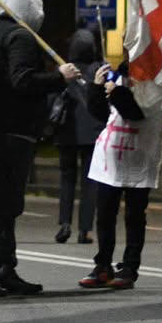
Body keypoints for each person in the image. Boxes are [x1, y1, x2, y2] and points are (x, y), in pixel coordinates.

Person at [0, 0, 83, 297]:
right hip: (11, 130)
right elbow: (22, 80)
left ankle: (4, 268)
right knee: (6, 202)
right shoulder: (20, 36)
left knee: (7, 202)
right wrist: (61, 77)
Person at [77, 69, 162, 293]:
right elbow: (100, 113)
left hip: (140, 155)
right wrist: (97, 88)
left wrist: (117, 92)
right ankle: (102, 265)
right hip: (112, 157)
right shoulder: (117, 75)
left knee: (135, 215)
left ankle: (129, 268)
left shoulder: (158, 79)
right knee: (105, 213)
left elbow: (136, 112)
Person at [55, 26, 106, 243]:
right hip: (93, 134)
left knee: (67, 179)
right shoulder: (99, 70)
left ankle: (64, 223)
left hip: (67, 131)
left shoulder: (67, 70)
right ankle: (85, 229)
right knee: (89, 182)